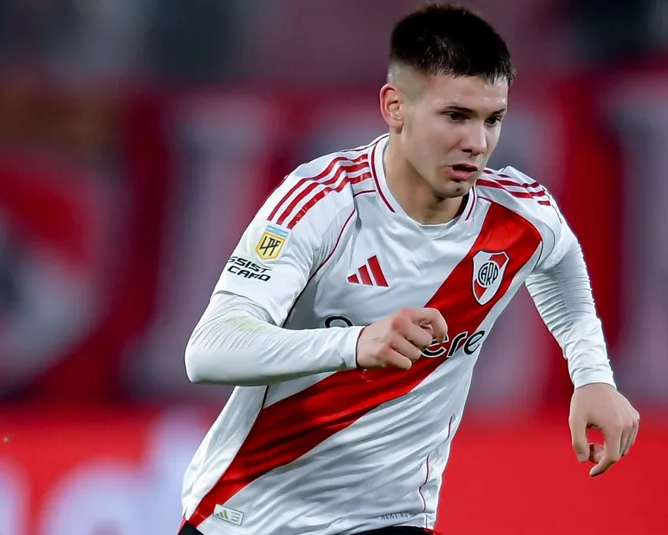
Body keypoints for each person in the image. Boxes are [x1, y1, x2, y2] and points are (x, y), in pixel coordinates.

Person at [178, 4, 640, 534]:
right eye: (456, 116)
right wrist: (355, 343)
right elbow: (209, 349)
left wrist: (592, 375)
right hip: (248, 513)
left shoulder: (519, 215)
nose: (477, 143)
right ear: (395, 107)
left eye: (492, 120)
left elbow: (562, 265)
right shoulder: (324, 201)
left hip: (391, 517)